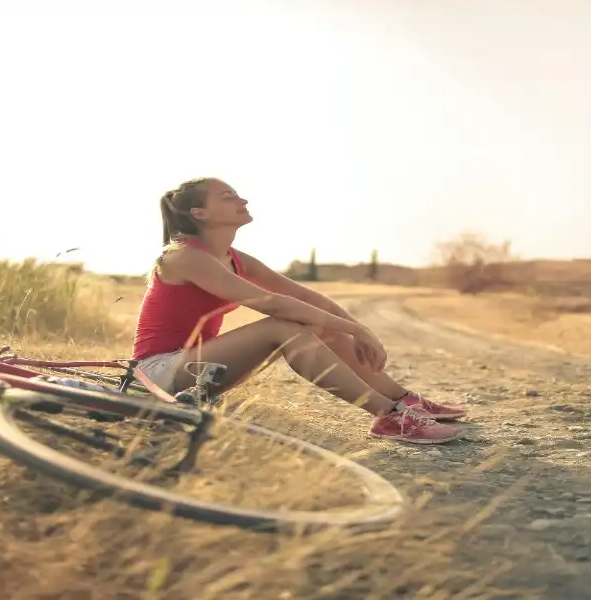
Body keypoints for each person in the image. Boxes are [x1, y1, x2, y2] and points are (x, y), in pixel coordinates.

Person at [132, 177, 465, 444]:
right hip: (157, 373)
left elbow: (304, 295)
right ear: (199, 213)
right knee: (284, 326)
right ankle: (390, 417)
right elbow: (274, 303)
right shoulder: (182, 256)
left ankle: (404, 401)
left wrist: (350, 326)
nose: (242, 200)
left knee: (319, 322)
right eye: (228, 196)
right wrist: (357, 331)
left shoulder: (236, 259)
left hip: (202, 371)